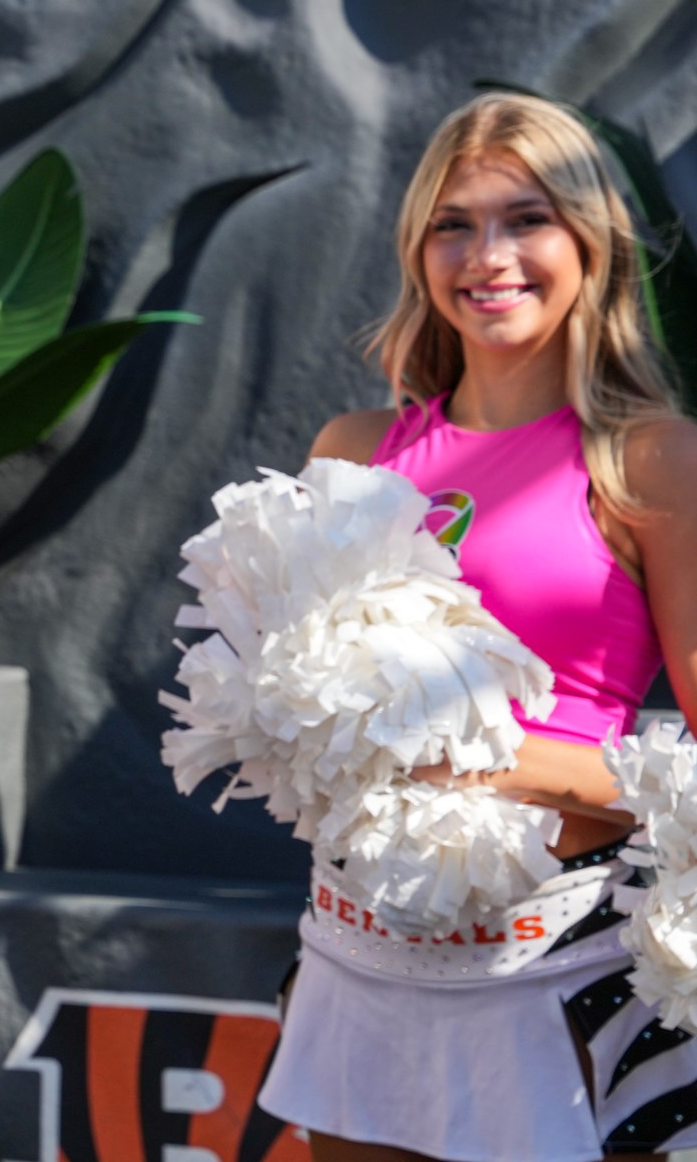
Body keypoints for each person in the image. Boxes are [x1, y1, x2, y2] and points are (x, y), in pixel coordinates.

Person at [255, 93, 697, 1161]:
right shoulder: (353, 450)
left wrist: (471, 758)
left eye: (526, 218)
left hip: (557, 969)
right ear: (416, 251)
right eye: (454, 223)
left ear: (590, 243)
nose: (487, 255)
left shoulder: (649, 460)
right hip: (360, 955)